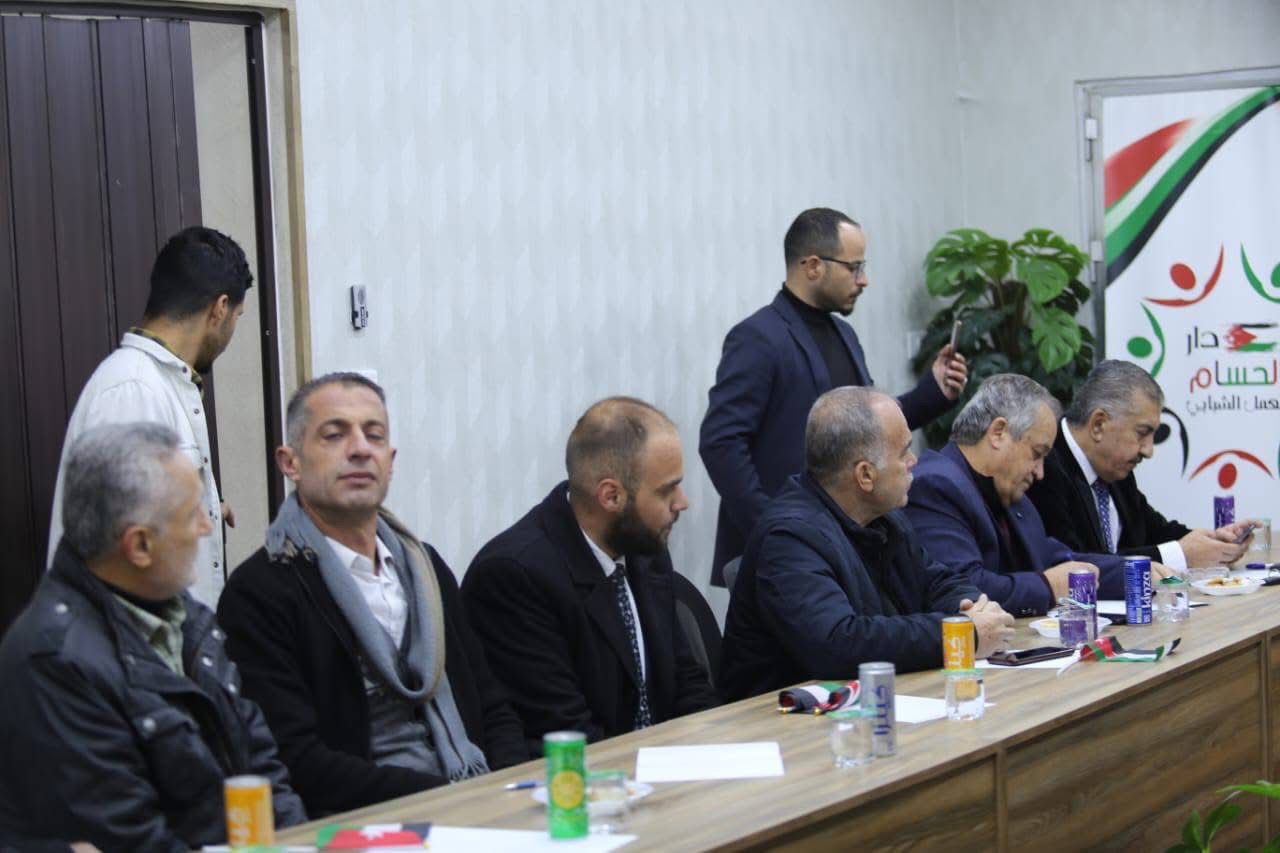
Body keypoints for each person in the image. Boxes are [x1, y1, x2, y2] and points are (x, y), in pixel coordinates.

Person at [217, 373, 526, 817]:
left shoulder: (426, 567)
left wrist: (508, 790)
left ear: (390, 460)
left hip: (477, 802)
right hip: (366, 823)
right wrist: (448, 799)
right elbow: (298, 761)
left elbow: (493, 707)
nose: (360, 449)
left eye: (374, 435)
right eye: (335, 434)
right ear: (290, 463)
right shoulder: (261, 592)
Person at [0, 423, 305, 851]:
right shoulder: (56, 662)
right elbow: (132, 840)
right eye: (193, 513)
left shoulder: (186, 617)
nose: (207, 526)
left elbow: (262, 767)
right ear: (140, 546)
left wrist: (297, 843)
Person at [700, 207, 968, 584]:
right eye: (854, 267)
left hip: (847, 541)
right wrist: (773, 525)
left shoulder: (845, 335)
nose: (864, 280)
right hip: (782, 553)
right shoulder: (757, 337)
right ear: (813, 266)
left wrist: (932, 392)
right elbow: (721, 443)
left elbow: (866, 430)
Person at [718, 388, 1013, 701]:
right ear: (865, 475)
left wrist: (973, 608)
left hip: (873, 701)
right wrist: (960, 632)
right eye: (904, 452)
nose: (913, 461)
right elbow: (839, 643)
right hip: (786, 719)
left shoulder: (885, 517)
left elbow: (937, 581)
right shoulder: (789, 538)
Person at [463, 397, 718, 753]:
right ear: (611, 496)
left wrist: (714, 752)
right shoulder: (513, 577)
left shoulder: (643, 547)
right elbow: (566, 733)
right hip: (583, 777)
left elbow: (688, 685)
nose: (682, 502)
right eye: (666, 490)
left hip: (659, 768)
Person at [48, 226, 253, 605]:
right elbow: (120, 552)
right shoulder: (134, 391)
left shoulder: (159, 383)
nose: (231, 332)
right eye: (237, 316)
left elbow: (148, 507)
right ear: (220, 308)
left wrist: (203, 506)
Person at [905, 374, 1167, 618]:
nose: (1040, 472)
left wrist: (1132, 572)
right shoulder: (935, 485)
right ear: (998, 433)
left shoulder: (1010, 493)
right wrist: (1048, 586)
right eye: (1037, 454)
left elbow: (1057, 559)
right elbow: (963, 588)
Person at [1027, 360, 1254, 567]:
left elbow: (1155, 532)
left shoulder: (1113, 467)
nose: (1148, 450)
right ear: (1098, 425)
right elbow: (1073, 564)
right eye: (1142, 433)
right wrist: (1180, 555)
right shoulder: (1043, 467)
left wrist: (1214, 543)